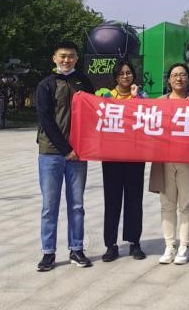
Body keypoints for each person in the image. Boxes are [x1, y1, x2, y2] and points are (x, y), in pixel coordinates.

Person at [35, 39, 95, 272]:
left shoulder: (83, 82)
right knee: (49, 206)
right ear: (54, 58)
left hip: (79, 153)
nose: (66, 60)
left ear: (77, 59)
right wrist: (65, 149)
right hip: (51, 153)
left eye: (71, 56)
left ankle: (76, 248)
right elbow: (46, 120)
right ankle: (48, 252)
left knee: (77, 204)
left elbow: (94, 112)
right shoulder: (46, 84)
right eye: (62, 56)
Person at [148, 62, 189, 266]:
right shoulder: (159, 103)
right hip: (164, 161)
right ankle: (169, 245)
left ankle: (184, 246)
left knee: (186, 204)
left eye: (182, 74)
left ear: (188, 78)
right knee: (167, 204)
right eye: (174, 75)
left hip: (187, 160)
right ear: (169, 80)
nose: (179, 78)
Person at [99, 60, 147, 262]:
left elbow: (148, 118)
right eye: (121, 73)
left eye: (128, 73)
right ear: (115, 77)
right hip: (112, 156)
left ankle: (134, 242)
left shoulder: (141, 95)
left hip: (135, 155)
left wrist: (136, 98)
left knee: (134, 200)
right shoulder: (106, 97)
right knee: (112, 200)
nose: (126, 76)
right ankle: (110, 244)